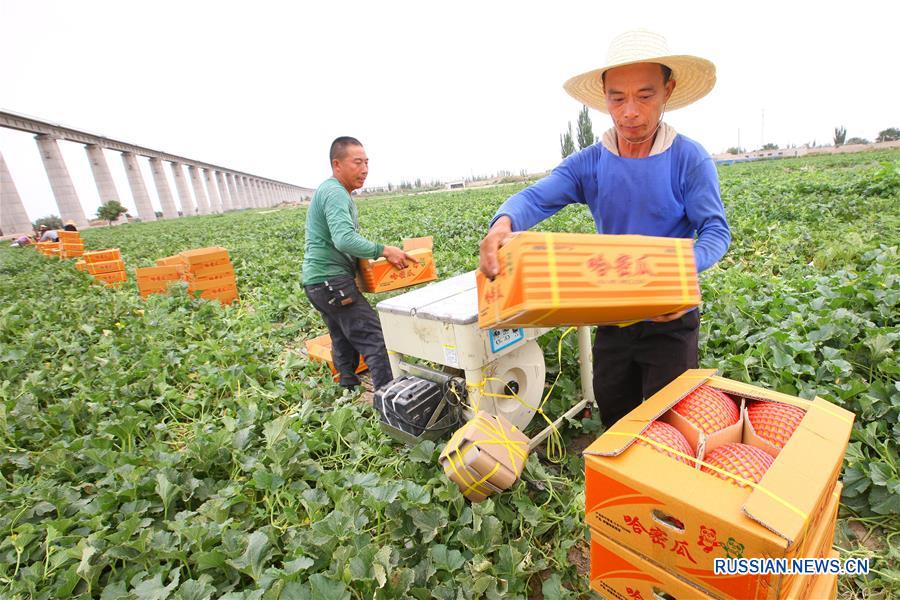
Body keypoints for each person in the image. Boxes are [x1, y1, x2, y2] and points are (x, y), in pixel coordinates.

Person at [479, 30, 731, 428]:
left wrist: (678, 273)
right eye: (618, 98)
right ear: (604, 96)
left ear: (668, 90)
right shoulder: (591, 163)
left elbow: (715, 231)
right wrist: (503, 224)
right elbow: (535, 198)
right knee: (616, 413)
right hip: (613, 314)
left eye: (645, 96)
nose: (630, 111)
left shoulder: (688, 159)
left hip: (670, 317)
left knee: (672, 422)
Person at [302, 136, 414, 392]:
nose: (364, 169)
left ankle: (348, 388)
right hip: (331, 281)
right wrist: (384, 251)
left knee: (342, 337)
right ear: (337, 164)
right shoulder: (335, 192)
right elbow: (344, 239)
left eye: (366, 163)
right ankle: (390, 399)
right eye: (357, 163)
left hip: (318, 283)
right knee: (374, 339)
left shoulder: (331, 191)